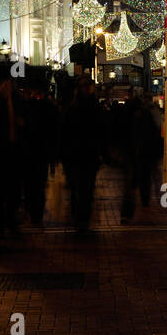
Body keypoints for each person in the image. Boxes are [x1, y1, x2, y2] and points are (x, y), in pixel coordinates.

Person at [0, 68, 25, 236]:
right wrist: (2, 99)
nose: (6, 87)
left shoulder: (18, 101)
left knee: (14, 190)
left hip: (15, 151)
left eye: (8, 83)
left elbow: (26, 120)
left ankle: (11, 220)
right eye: (3, 84)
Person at [62, 77, 106, 235]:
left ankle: (81, 219)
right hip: (83, 154)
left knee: (82, 189)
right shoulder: (89, 107)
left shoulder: (75, 108)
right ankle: (82, 220)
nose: (88, 89)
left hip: (81, 154)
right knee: (83, 189)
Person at [22, 80, 61, 226]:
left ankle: (33, 211)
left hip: (32, 152)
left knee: (32, 184)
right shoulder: (49, 108)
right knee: (37, 185)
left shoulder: (28, 107)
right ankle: (36, 213)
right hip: (40, 152)